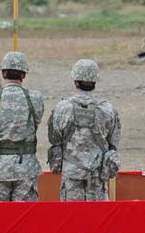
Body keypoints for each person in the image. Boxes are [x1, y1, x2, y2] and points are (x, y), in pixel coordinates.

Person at [0, 52, 45, 201]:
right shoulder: (35, 99)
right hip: (26, 166)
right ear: (24, 75)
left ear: (3, 72)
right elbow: (35, 124)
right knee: (25, 219)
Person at [47, 59, 121, 201]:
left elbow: (54, 139)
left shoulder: (62, 108)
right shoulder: (107, 110)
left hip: (71, 175)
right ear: (95, 82)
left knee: (72, 219)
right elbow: (113, 143)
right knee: (98, 220)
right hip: (97, 175)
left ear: (76, 81)